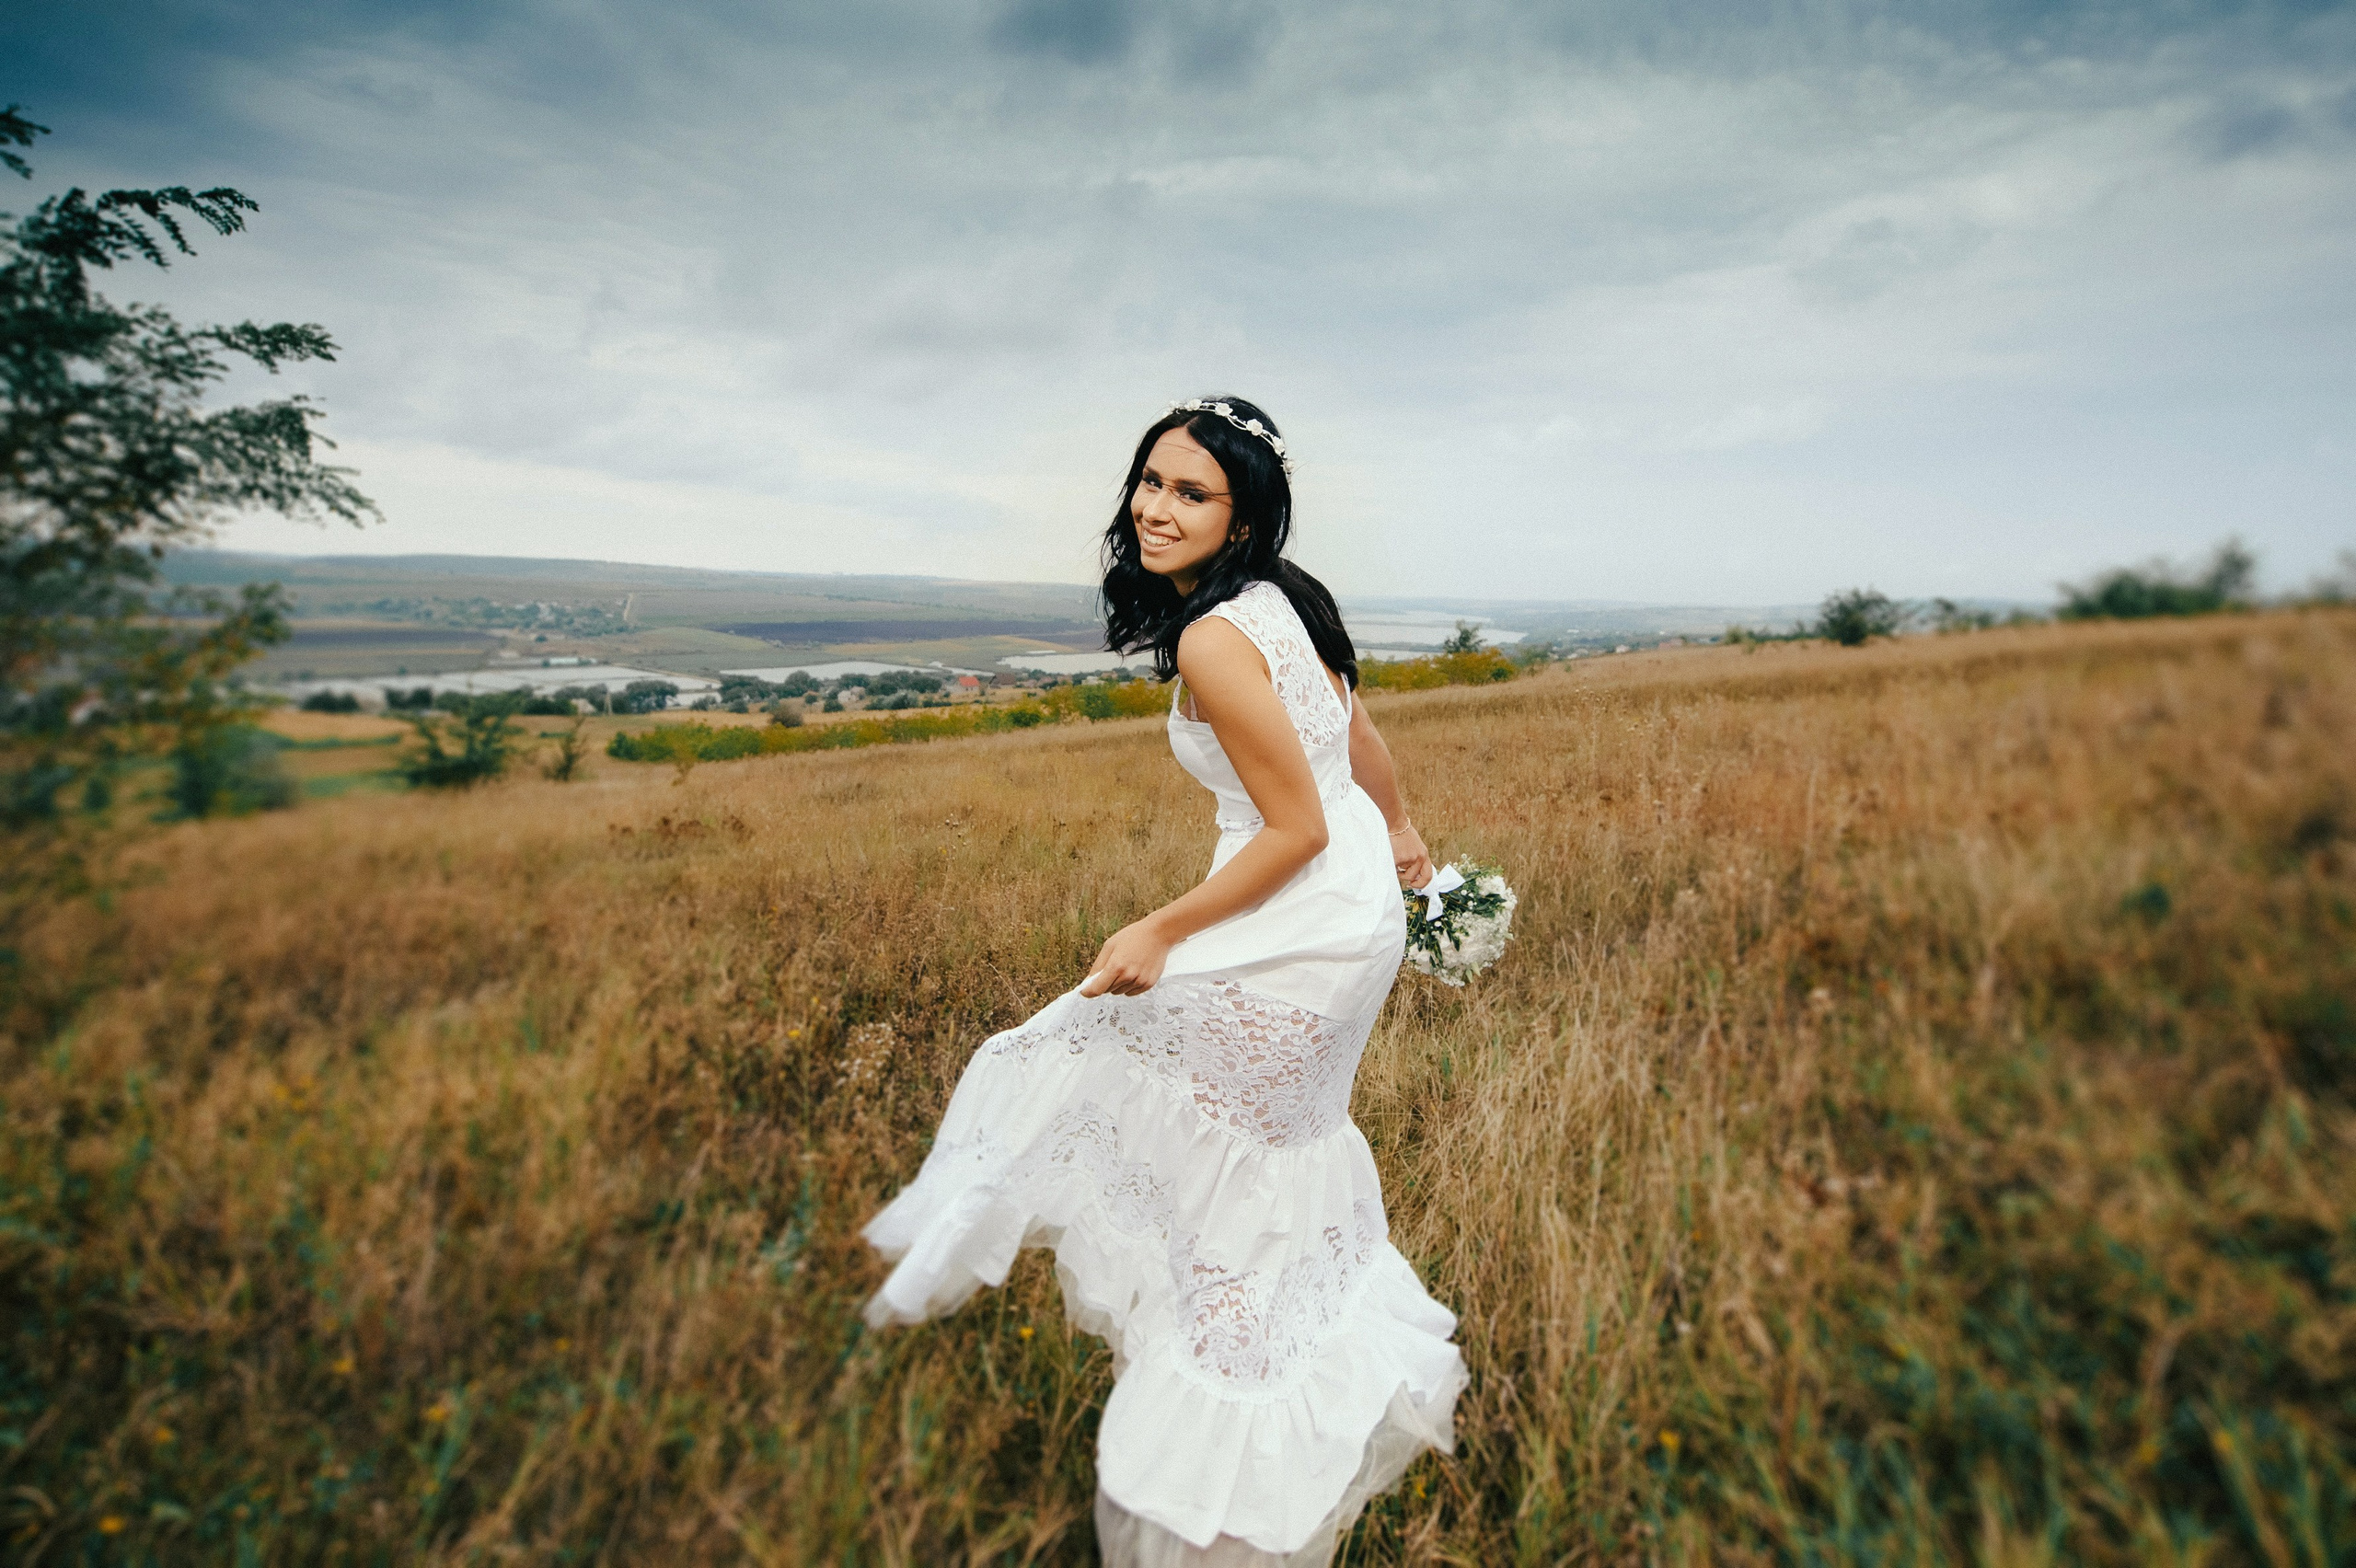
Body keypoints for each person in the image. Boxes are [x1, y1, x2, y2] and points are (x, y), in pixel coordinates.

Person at [860, 397, 1467, 1566]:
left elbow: (1289, 824)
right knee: (1262, 1149)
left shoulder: (1213, 635)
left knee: (1072, 1054)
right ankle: (1250, 1319)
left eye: (1191, 493)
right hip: (1347, 914)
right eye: (1149, 481)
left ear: (1243, 518)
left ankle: (1230, 1411)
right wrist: (1402, 837)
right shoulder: (1286, 600)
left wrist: (1156, 926)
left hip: (1299, 911)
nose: (1154, 507)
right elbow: (1357, 743)